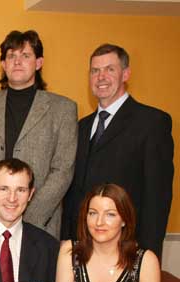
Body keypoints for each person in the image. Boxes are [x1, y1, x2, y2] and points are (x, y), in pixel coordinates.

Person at [62, 44, 174, 259]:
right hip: (82, 247)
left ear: (126, 74)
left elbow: (157, 198)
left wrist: (146, 257)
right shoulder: (80, 127)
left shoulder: (152, 123)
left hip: (126, 249)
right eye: (95, 71)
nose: (101, 77)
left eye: (109, 69)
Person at [0, 30, 77, 239]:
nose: (17, 62)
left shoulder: (63, 108)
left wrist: (28, 211)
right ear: (3, 64)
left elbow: (63, 169)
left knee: (36, 273)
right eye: (11, 56)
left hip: (42, 222)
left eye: (25, 56)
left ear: (39, 62)